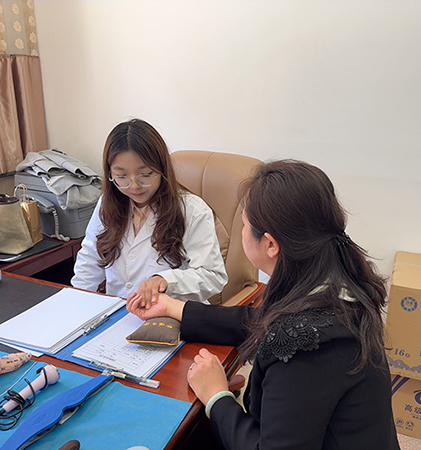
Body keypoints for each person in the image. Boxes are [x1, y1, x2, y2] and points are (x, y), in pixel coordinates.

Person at [127, 160, 401, 450]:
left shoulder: (309, 343)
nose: (242, 231)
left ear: (270, 244)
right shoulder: (330, 280)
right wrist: (174, 308)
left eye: (244, 224)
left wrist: (217, 396)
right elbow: (260, 319)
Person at [72, 119, 227, 303]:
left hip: (172, 315)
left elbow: (212, 277)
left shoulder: (192, 210)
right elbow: (90, 260)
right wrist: (76, 302)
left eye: (145, 174)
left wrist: (166, 281)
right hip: (120, 311)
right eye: (121, 176)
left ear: (161, 169)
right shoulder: (107, 204)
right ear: (110, 173)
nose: (134, 186)